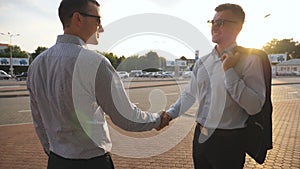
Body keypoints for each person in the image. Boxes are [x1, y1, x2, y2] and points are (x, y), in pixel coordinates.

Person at [27, 0, 162, 169]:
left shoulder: (36, 64)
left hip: (56, 161)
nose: (102, 28)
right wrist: (158, 119)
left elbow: (38, 120)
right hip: (92, 162)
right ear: (78, 18)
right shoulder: (95, 63)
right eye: (98, 20)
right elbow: (125, 117)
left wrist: (52, 151)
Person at [158, 3, 266, 169]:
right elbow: (189, 95)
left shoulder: (250, 60)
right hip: (200, 138)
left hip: (229, 142)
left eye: (221, 22)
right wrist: (170, 115)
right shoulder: (203, 62)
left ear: (238, 27)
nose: (215, 26)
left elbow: (254, 107)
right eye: (213, 22)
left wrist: (229, 71)